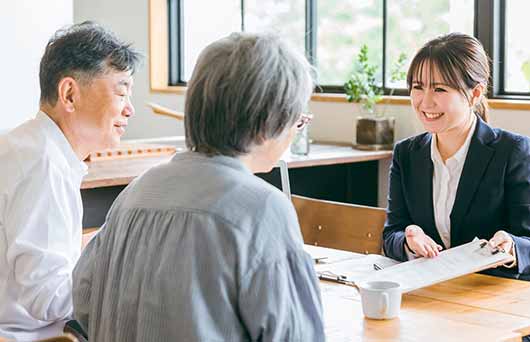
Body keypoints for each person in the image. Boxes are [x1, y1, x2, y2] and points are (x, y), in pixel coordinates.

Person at [72, 32, 325, 341]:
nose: (295, 132)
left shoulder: (134, 194)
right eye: (297, 122)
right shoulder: (262, 209)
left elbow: (83, 304)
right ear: (268, 124)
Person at [0, 22, 140, 340]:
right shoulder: (43, 164)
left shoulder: (31, 146)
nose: (130, 109)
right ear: (69, 94)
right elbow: (47, 299)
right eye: (121, 92)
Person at [383, 33, 530, 280]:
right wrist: (409, 240)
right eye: (418, 87)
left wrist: (512, 246)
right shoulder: (406, 154)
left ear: (475, 94)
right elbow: (391, 234)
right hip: (431, 293)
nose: (425, 102)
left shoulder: (514, 151)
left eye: (440, 89)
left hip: (494, 298)